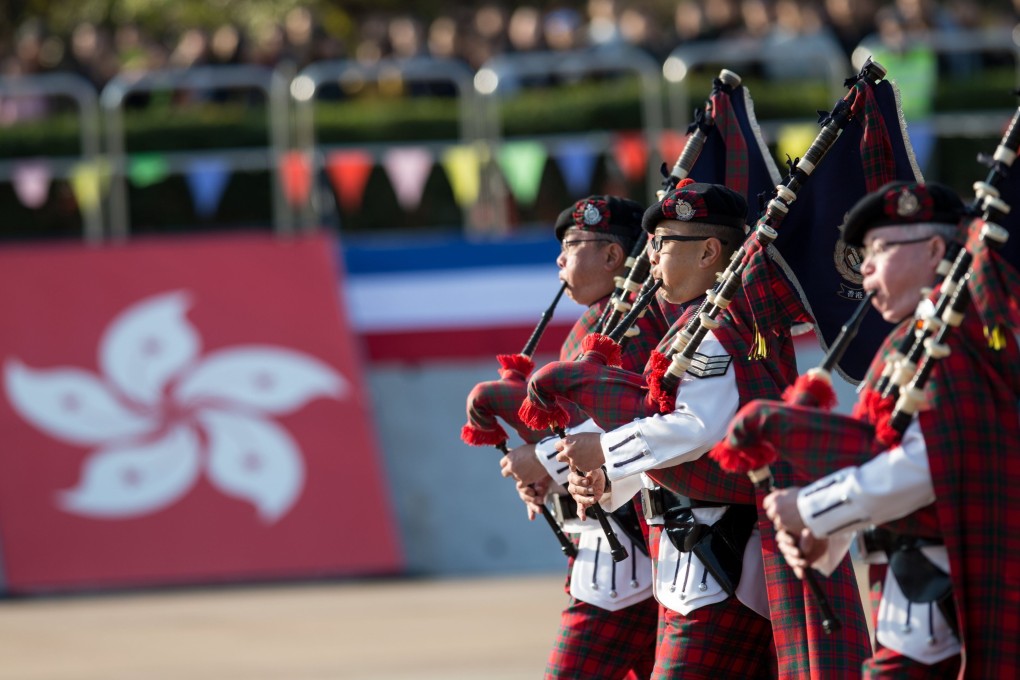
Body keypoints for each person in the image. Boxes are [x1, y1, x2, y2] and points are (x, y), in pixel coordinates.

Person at [556, 181, 871, 678]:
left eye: (663, 243)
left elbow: (698, 431)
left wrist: (604, 451)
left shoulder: (718, 329)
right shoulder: (696, 325)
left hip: (713, 559)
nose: (652, 257)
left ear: (708, 252)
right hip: (691, 559)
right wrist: (610, 479)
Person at [746, 180, 1020, 677]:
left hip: (955, 587)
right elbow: (874, 459)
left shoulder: (956, 343)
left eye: (880, 249)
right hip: (911, 593)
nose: (865, 266)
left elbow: (924, 468)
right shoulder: (906, 345)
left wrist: (810, 508)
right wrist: (822, 533)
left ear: (936, 249)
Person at [498, 195, 667, 679]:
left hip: (626, 546)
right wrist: (547, 473)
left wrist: (543, 461)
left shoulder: (629, 322)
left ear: (613, 257)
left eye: (572, 245)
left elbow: (630, 416)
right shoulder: (599, 321)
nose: (560, 259)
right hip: (609, 542)